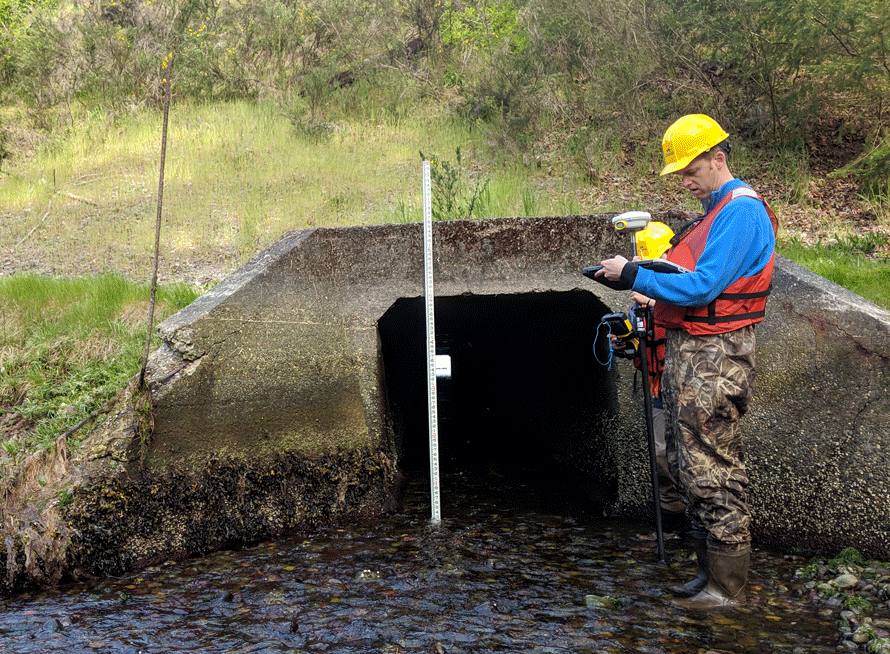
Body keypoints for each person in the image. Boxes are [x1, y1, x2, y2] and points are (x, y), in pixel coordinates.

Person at [595, 114, 778, 610]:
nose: (684, 179)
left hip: (719, 359)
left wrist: (634, 273)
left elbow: (702, 286)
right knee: (688, 463)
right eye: (679, 172)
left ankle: (727, 587)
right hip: (694, 355)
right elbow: (688, 278)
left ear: (718, 158)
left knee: (713, 466)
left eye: (689, 168)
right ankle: (708, 575)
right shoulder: (714, 211)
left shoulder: (740, 213)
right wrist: (646, 279)